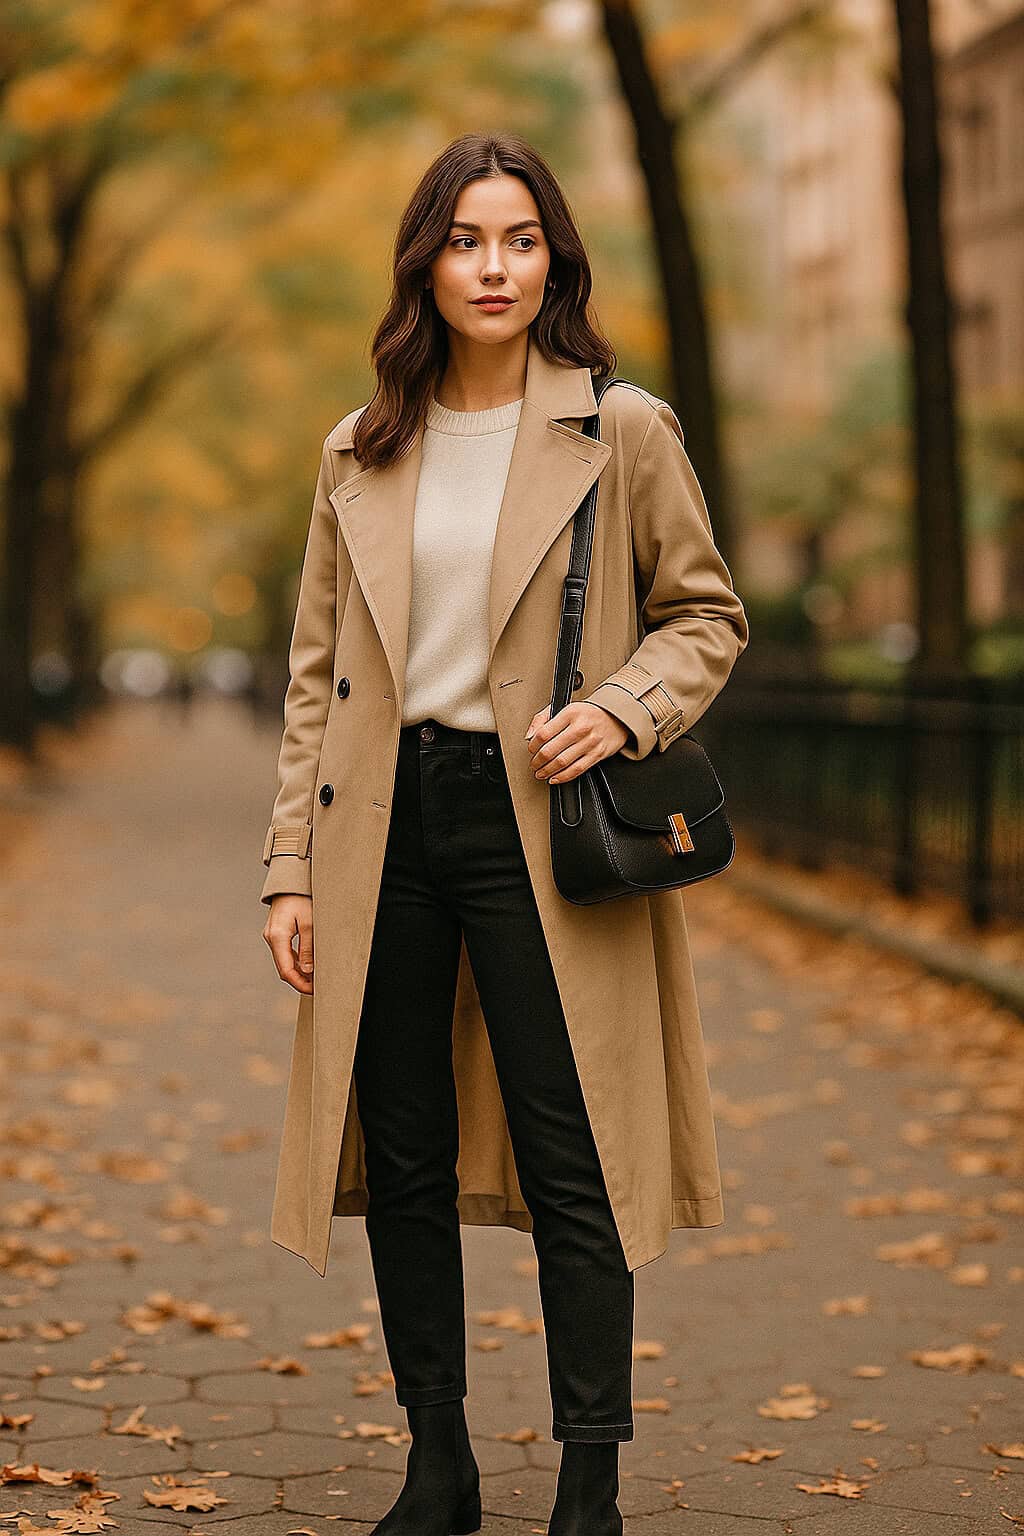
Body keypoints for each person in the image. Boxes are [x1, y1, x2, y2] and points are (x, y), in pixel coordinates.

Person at [260, 131, 749, 1536]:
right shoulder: (361, 448)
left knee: (573, 1144)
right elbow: (312, 677)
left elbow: (705, 613)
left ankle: (589, 1478)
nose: (494, 265)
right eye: (467, 239)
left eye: (520, 237)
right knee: (403, 1150)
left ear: (555, 257)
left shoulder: (620, 427)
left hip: (539, 824)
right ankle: (441, 1464)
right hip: (386, 826)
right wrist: (287, 871)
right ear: (425, 261)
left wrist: (624, 711)